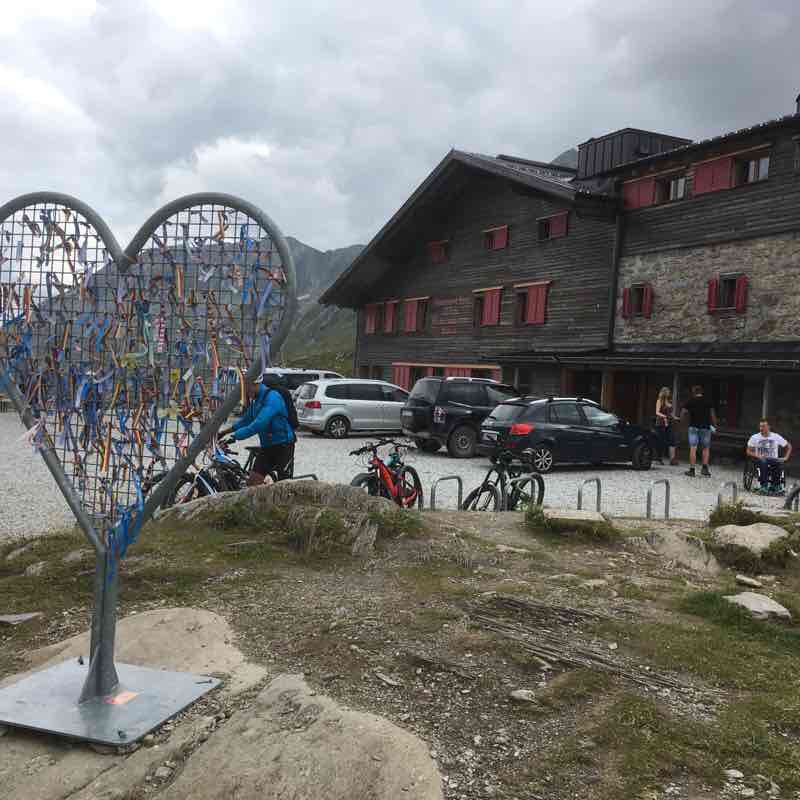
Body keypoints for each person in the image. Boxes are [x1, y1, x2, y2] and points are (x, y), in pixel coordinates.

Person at [218, 374, 295, 486]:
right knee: (252, 483)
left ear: (256, 384)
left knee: (284, 485)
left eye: (247, 389)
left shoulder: (273, 398)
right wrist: (223, 433)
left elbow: (259, 424)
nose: (245, 394)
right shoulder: (257, 401)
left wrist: (234, 437)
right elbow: (245, 421)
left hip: (284, 445)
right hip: (267, 446)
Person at [680, 385, 717, 478]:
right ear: (701, 392)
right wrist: (715, 425)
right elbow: (712, 414)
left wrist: (681, 420)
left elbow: (683, 412)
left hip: (693, 427)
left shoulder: (690, 401)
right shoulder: (708, 401)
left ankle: (692, 470)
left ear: (693, 392)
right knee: (706, 448)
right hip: (705, 427)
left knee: (693, 448)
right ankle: (705, 468)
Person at [747, 419, 792, 494]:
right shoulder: (754, 437)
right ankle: (764, 486)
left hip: (773, 459)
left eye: (763, 426)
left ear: (768, 427)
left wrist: (786, 457)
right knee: (763, 461)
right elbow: (748, 451)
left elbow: (789, 446)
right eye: (760, 426)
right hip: (760, 459)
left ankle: (775, 485)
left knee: (779, 462)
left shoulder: (776, 436)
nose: (761, 428)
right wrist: (757, 455)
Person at [654, 386, 679, 466]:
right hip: (661, 423)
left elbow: (670, 413)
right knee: (661, 440)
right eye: (668, 392)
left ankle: (672, 459)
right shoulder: (659, 401)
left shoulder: (669, 401)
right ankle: (658, 458)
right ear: (664, 392)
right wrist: (664, 416)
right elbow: (657, 412)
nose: (669, 393)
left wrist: (675, 417)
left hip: (669, 423)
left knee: (672, 440)